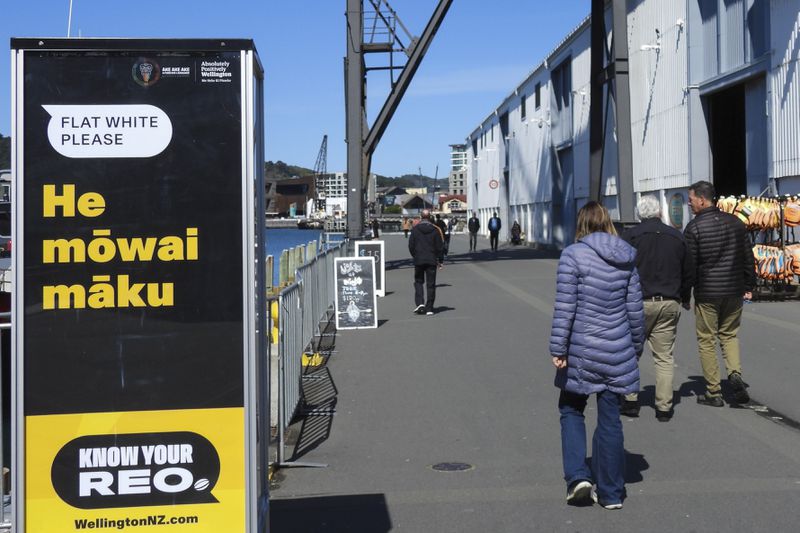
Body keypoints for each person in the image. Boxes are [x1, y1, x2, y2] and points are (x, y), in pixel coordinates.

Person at [549, 201, 644, 509]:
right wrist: (635, 347)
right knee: (610, 418)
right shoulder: (627, 257)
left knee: (571, 408)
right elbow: (634, 310)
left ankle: (578, 477)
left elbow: (566, 306)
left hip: (581, 350)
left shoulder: (572, 255)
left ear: (582, 224)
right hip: (617, 348)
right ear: (607, 222)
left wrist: (558, 348)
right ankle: (612, 493)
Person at [620, 195, 693, 422]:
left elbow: (621, 270)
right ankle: (664, 407)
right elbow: (688, 271)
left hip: (637, 302)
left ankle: (630, 401)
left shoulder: (630, 237)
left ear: (639, 214)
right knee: (664, 357)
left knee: (631, 353)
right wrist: (684, 297)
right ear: (660, 212)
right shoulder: (676, 237)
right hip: (669, 301)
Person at [684, 181, 756, 406]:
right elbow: (747, 257)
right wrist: (749, 285)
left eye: (691, 199)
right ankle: (734, 373)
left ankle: (713, 392)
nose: (689, 203)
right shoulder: (735, 223)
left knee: (706, 340)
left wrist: (685, 294)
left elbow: (690, 266)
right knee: (729, 335)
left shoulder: (694, 228)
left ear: (702, 200)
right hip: (734, 290)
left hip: (707, 293)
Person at [408, 209, 444, 315]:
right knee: (431, 284)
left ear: (421, 217)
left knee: (418, 281)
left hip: (419, 259)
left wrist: (415, 255)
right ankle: (429, 308)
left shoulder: (415, 229)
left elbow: (411, 245)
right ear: (429, 218)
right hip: (432, 260)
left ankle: (420, 303)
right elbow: (440, 247)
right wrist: (440, 260)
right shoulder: (435, 230)